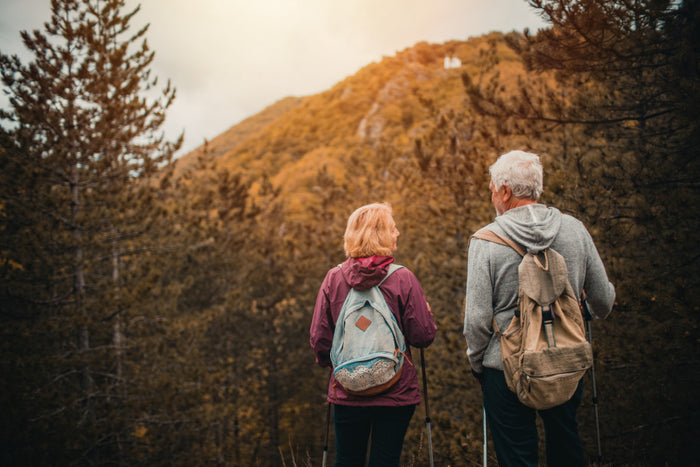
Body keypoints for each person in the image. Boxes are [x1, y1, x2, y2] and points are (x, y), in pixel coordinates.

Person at [463, 150, 615, 466]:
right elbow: (604, 300)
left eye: (492, 189)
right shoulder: (574, 229)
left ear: (504, 191)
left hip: (505, 367)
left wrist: (478, 363)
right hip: (566, 358)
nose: (492, 195)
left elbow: (476, 321)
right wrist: (582, 311)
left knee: (518, 456)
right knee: (566, 445)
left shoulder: (486, 241)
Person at [310, 202, 437, 467]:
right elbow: (423, 336)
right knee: (386, 460)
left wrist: (330, 366)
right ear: (380, 234)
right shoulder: (403, 279)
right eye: (393, 228)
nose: (398, 233)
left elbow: (320, 339)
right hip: (396, 390)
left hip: (347, 388)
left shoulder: (334, 279)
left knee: (347, 459)